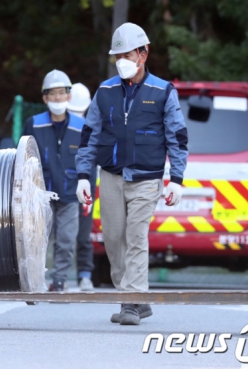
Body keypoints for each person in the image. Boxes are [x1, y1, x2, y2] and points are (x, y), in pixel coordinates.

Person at [75, 23, 188, 325]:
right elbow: (89, 136)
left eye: (127, 54)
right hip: (110, 177)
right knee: (113, 238)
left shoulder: (163, 92)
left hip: (147, 179)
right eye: (117, 56)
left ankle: (130, 301)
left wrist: (176, 179)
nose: (122, 61)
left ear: (143, 53)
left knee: (136, 236)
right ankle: (137, 298)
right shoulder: (105, 91)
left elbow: (177, 137)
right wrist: (84, 175)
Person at [22, 71, 89, 292]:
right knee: (36, 239)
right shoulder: (34, 124)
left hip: (70, 192)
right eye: (53, 94)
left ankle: (59, 280)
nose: (58, 98)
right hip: (40, 192)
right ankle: (34, 279)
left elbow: (88, 158)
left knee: (66, 240)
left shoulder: (81, 126)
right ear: (45, 98)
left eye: (62, 93)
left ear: (69, 96)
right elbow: (23, 156)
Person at [66, 83, 95, 291]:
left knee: (83, 235)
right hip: (66, 189)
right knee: (68, 236)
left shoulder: (91, 129)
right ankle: (70, 276)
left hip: (82, 188)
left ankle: (84, 275)